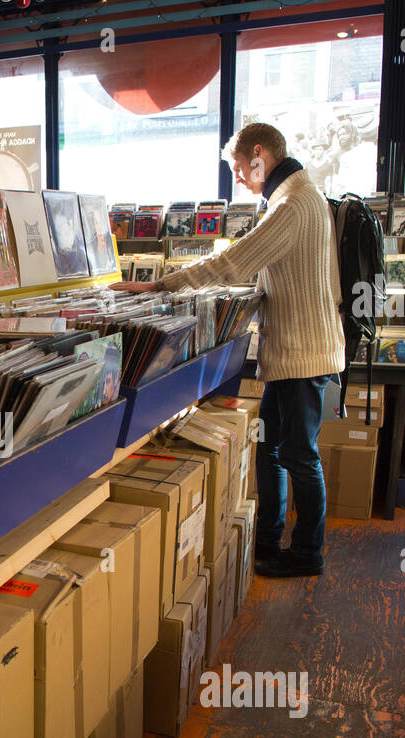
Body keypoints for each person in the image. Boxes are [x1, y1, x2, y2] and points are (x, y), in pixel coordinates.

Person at [111, 122, 346, 577]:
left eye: (239, 167)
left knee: (298, 455)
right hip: (296, 353)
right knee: (274, 451)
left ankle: (307, 554)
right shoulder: (296, 197)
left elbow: (235, 262)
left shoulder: (293, 203)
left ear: (259, 154)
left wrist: (160, 285)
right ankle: (269, 544)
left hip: (304, 354)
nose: (238, 177)